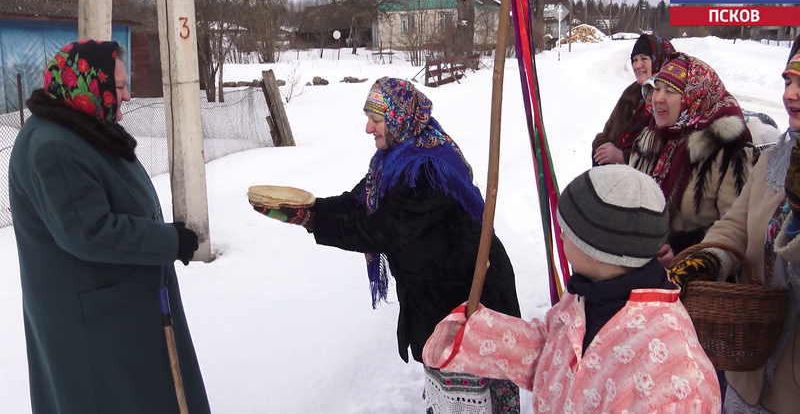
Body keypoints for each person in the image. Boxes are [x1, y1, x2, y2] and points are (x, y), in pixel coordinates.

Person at [254, 77, 522, 413]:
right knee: (449, 391)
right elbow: (359, 201)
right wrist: (311, 207)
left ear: (397, 119)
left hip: (469, 299)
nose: (368, 128)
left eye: (376, 120)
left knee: (473, 394)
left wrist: (310, 222)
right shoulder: (396, 157)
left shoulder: (425, 169)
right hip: (437, 294)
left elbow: (379, 230)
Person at [8, 40, 210, 414]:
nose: (128, 95)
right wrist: (168, 241)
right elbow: (90, 232)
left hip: (116, 309)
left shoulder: (81, 126)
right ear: (87, 82)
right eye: (118, 86)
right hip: (94, 324)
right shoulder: (52, 146)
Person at [421, 165, 721, 412]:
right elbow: (556, 354)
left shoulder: (675, 376)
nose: (560, 234)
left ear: (593, 248)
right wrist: (478, 335)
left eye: (565, 228)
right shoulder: (588, 293)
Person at [668, 37, 800, 414]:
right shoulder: (774, 159)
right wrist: (707, 258)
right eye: (788, 81)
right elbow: (735, 225)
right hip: (749, 368)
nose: (791, 95)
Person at [630, 53, 755, 256]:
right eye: (657, 88)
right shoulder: (649, 138)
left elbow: (737, 229)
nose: (658, 98)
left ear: (694, 99)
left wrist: (682, 249)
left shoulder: (729, 153)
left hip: (695, 274)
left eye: (670, 91)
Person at [592, 33, 676, 166]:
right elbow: (607, 133)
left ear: (660, 59)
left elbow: (668, 154)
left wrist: (623, 157)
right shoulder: (631, 93)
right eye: (634, 60)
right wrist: (601, 147)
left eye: (644, 59)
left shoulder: (673, 100)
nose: (637, 66)